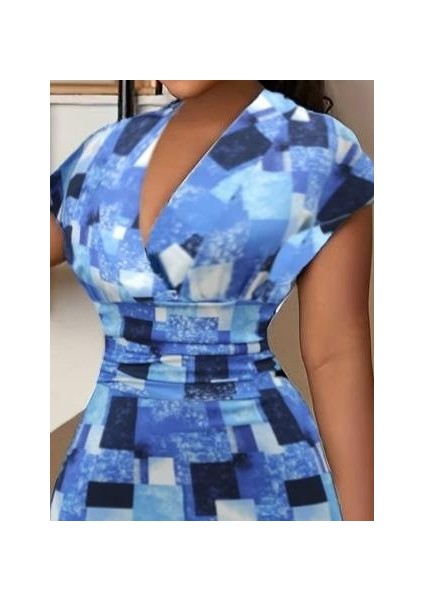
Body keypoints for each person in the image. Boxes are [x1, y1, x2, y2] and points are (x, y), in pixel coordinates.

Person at [50, 80, 374, 521]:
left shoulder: (320, 149)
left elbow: (335, 356)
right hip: (107, 473)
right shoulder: (104, 151)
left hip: (261, 475)